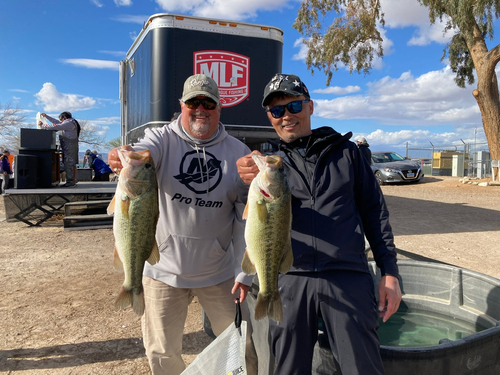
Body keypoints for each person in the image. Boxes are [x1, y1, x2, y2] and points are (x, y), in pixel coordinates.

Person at [236, 73, 402, 375]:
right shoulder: (271, 164)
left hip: (347, 275)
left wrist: (389, 272)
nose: (286, 116)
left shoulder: (348, 154)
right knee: (287, 369)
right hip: (290, 276)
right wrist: (247, 172)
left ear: (310, 106)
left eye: (294, 106)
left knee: (362, 367)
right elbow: (251, 218)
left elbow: (375, 213)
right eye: (276, 111)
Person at [108, 74, 258, 375]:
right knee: (162, 353)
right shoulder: (162, 138)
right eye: (193, 102)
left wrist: (245, 272)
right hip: (161, 271)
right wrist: (123, 156)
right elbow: (144, 152)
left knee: (242, 346)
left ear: (219, 107)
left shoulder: (238, 152)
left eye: (208, 102)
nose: (200, 108)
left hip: (219, 272)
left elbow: (248, 218)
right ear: (182, 105)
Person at [38, 111, 80, 187]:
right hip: (69, 147)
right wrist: (47, 116)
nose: (60, 121)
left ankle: (70, 182)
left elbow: (56, 126)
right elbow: (57, 123)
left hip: (69, 147)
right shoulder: (70, 122)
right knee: (70, 164)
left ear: (65, 118)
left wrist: (43, 126)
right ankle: (71, 181)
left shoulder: (69, 123)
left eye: (61, 119)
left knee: (69, 164)